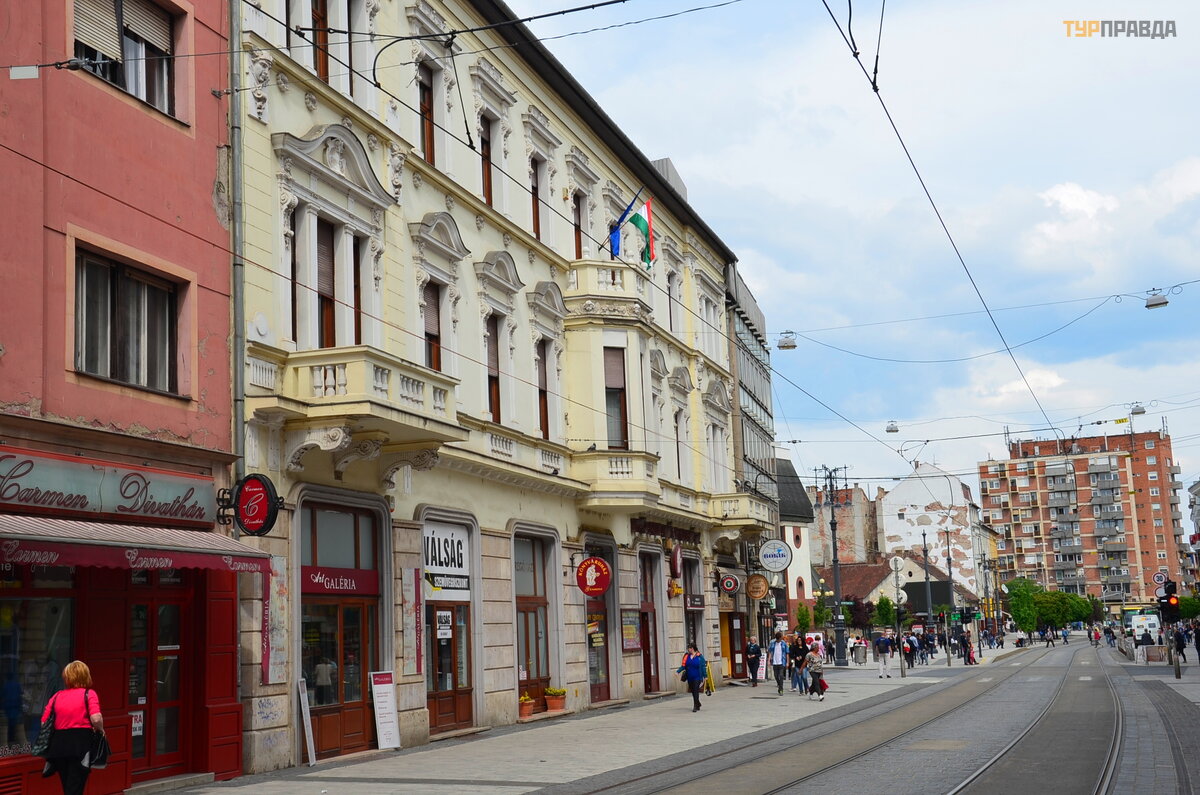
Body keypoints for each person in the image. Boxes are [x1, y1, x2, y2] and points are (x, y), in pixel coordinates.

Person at [39, 660, 104, 795]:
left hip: (58, 746)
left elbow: (44, 723)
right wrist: (100, 729)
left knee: (67, 784)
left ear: (66, 677)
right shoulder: (89, 694)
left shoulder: (57, 696)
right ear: (85, 676)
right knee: (75, 786)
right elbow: (96, 718)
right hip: (80, 744)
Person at [678, 643, 708, 712]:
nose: (688, 650)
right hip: (690, 677)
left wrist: (705, 676)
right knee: (693, 691)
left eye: (689, 648)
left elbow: (703, 667)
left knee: (696, 690)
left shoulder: (699, 656)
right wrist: (678, 671)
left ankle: (695, 706)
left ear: (692, 648)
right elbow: (683, 666)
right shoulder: (686, 656)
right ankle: (698, 703)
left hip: (697, 677)